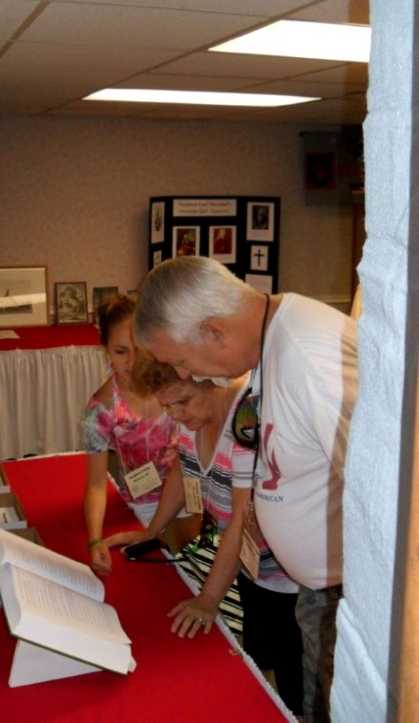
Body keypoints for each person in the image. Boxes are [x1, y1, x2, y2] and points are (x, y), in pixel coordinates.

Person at [133, 256, 358, 723]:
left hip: (347, 595)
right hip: (317, 590)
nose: (185, 370)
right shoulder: (269, 349)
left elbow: (386, 498)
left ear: (214, 331)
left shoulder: (306, 356)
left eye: (179, 359)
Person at [116, 352, 303, 718]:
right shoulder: (191, 416)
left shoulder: (246, 421)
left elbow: (243, 520)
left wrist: (208, 599)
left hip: (287, 573)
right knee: (259, 657)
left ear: (209, 379)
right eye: (166, 406)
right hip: (250, 564)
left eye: (182, 401)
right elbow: (180, 472)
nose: (175, 415)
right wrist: (152, 531)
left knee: (294, 675)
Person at [83, 294, 178, 577]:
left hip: (191, 499)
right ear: (106, 351)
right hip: (142, 506)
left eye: (139, 349)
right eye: (121, 351)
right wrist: (94, 539)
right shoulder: (100, 409)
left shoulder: (176, 383)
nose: (132, 361)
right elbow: (96, 483)